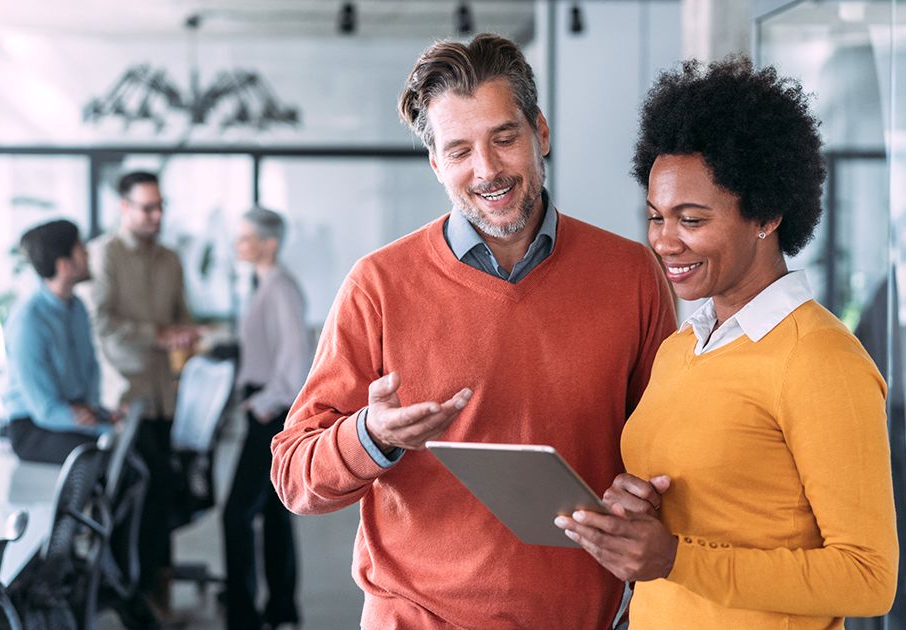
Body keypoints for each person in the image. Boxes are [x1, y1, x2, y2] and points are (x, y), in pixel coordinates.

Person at [270, 33, 676, 629]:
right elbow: (294, 476)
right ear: (437, 164)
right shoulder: (377, 285)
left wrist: (646, 493)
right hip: (416, 617)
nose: (486, 169)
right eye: (459, 150)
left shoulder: (632, 274)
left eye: (504, 138)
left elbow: (665, 444)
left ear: (540, 132)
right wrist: (370, 434)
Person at [555, 56, 899, 628]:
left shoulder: (820, 360)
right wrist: (637, 511)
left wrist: (675, 559)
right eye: (656, 217)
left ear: (765, 214)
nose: (665, 242)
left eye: (691, 219)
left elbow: (868, 578)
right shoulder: (680, 349)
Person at [86, 170, 201, 613]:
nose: (156, 216)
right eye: (147, 208)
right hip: (123, 399)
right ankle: (127, 594)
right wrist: (158, 335)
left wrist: (187, 334)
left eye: (159, 207)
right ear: (124, 207)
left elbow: (183, 316)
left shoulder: (170, 259)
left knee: (163, 495)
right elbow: (102, 325)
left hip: (164, 397)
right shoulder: (103, 256)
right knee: (131, 498)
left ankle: (157, 588)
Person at [223, 207, 309, 630]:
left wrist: (263, 403)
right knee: (273, 513)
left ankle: (242, 615)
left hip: (270, 414)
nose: (238, 245)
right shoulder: (263, 285)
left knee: (236, 514)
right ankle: (280, 610)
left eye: (245, 238)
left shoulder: (281, 290)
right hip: (263, 407)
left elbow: (295, 365)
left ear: (268, 243)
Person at [3, 220, 113, 464]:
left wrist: (97, 412)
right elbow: (44, 409)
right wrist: (101, 427)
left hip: (75, 412)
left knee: (132, 444)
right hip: (35, 426)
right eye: (81, 249)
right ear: (64, 265)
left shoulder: (78, 308)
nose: (87, 254)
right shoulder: (28, 321)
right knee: (101, 456)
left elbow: (90, 369)